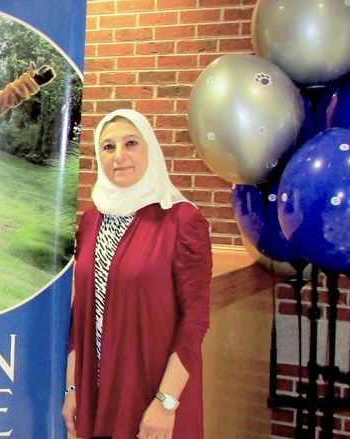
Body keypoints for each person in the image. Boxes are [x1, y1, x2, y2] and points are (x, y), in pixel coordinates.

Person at [61, 109, 212, 439]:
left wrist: (166, 402)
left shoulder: (182, 221)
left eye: (131, 143)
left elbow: (196, 319)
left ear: (151, 150)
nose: (120, 156)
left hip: (152, 392)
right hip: (96, 393)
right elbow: (80, 312)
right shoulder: (90, 220)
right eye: (108, 147)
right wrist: (72, 388)